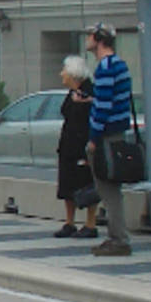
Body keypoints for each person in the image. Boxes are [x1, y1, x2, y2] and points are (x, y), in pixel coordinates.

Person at [84, 22, 133, 256]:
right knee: (113, 189)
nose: (87, 39)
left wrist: (93, 138)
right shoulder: (120, 65)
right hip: (118, 133)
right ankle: (117, 237)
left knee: (108, 190)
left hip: (105, 136)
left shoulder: (105, 68)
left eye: (90, 35)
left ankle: (118, 239)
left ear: (99, 39)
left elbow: (103, 107)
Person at [54, 55, 98, 239]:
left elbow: (91, 118)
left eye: (64, 70)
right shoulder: (72, 92)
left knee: (86, 183)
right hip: (68, 146)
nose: (61, 74)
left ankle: (90, 224)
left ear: (73, 73)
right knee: (67, 183)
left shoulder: (88, 91)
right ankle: (69, 222)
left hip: (82, 144)